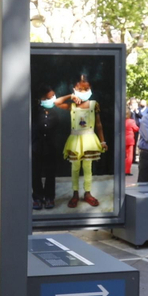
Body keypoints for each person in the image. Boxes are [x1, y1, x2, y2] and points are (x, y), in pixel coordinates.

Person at [55, 77, 106, 208]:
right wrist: (70, 96)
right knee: (75, 168)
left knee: (88, 168)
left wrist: (103, 141)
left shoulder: (94, 104)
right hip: (75, 140)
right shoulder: (72, 105)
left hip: (89, 140)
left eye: (86, 89)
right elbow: (56, 102)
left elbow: (99, 124)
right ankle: (75, 193)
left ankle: (87, 193)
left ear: (91, 89)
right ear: (74, 90)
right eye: (79, 89)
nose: (83, 91)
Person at [33, 84, 60, 209]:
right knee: (36, 172)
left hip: (51, 147)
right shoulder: (35, 111)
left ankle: (49, 198)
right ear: (42, 99)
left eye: (53, 96)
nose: (53, 99)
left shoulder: (56, 112)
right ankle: (38, 198)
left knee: (50, 173)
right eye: (49, 97)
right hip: (37, 146)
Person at [123, 108, 138, 177]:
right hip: (129, 140)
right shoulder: (131, 121)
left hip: (122, 140)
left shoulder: (121, 121)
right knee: (129, 156)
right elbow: (136, 128)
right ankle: (127, 171)